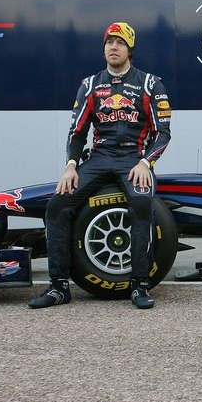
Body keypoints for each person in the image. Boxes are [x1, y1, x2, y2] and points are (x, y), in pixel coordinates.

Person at [29, 22, 172, 310]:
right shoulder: (90, 84)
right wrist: (71, 165)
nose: (113, 48)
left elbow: (163, 133)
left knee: (142, 204)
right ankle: (59, 286)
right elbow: (77, 132)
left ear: (130, 49)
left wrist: (147, 162)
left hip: (134, 158)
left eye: (120, 43)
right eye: (109, 43)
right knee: (57, 205)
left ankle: (140, 285)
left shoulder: (150, 83)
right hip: (98, 158)